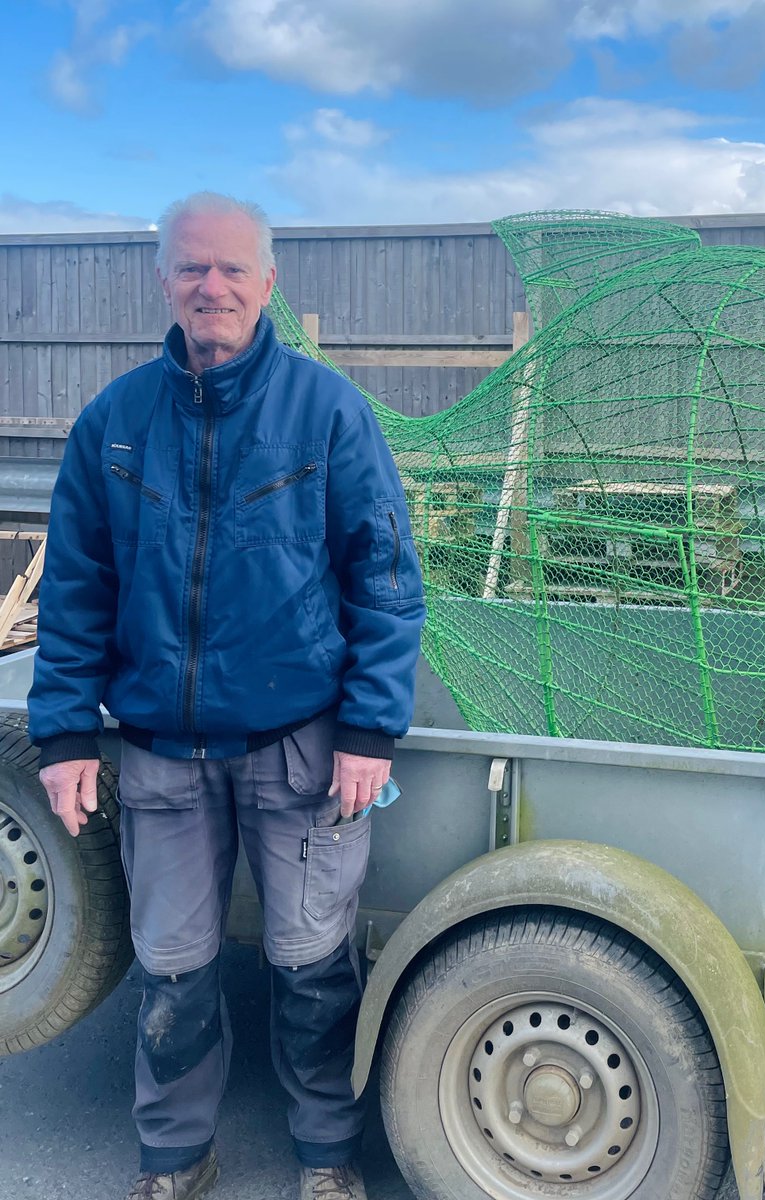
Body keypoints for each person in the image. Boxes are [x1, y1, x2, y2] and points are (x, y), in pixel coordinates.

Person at [28, 191, 425, 1200]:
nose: (212, 286)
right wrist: (67, 733)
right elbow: (75, 589)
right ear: (164, 279)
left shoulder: (326, 413)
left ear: (268, 286)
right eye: (193, 267)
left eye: (232, 269)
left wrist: (372, 728)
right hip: (161, 752)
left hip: (299, 746)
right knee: (172, 968)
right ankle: (175, 1157)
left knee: (310, 962)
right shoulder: (113, 425)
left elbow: (383, 577)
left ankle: (327, 1155)